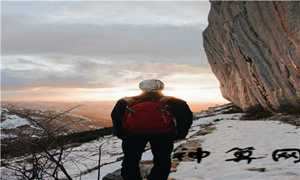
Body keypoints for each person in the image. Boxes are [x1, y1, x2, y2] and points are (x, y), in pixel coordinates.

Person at [111, 79, 193, 180]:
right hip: (163, 134)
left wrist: (122, 134)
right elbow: (185, 117)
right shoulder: (174, 101)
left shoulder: (125, 102)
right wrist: (179, 134)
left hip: (133, 134)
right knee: (162, 161)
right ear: (161, 87)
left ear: (142, 88)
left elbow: (116, 118)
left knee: (130, 161)